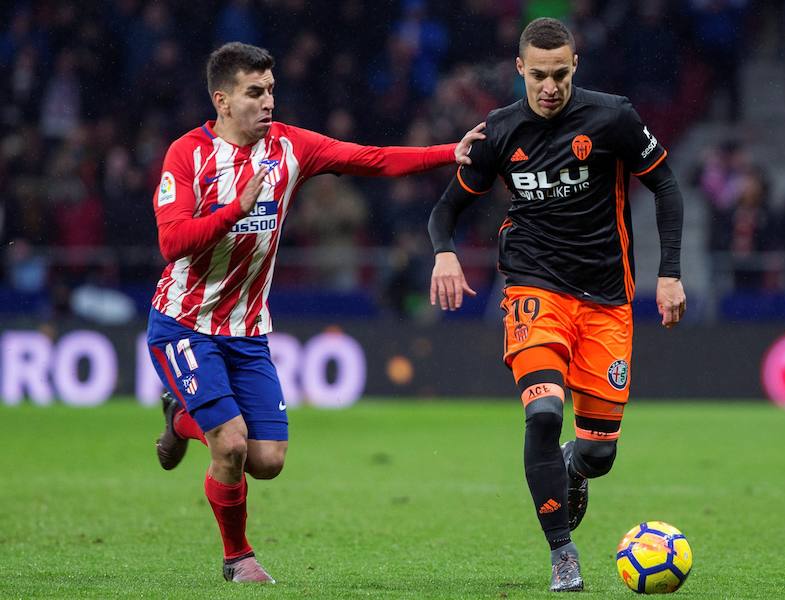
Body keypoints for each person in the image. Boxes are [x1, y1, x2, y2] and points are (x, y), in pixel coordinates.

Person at [147, 41, 484, 584]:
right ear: (222, 100)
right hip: (184, 323)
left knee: (268, 460)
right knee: (230, 444)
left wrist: (450, 152)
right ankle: (239, 560)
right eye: (254, 92)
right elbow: (171, 242)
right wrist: (237, 207)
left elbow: (370, 158)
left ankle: (180, 418)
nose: (267, 101)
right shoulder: (186, 156)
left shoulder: (289, 148)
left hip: (248, 331)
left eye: (271, 90)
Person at [427, 18, 686, 592]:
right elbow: (445, 210)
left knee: (599, 453)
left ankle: (573, 463)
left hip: (608, 301)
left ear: (576, 67)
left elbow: (665, 185)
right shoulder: (499, 130)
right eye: (539, 75)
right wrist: (443, 254)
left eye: (561, 75)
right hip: (533, 289)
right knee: (542, 413)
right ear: (520, 69)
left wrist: (669, 273)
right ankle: (562, 554)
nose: (550, 87)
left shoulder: (613, 117)